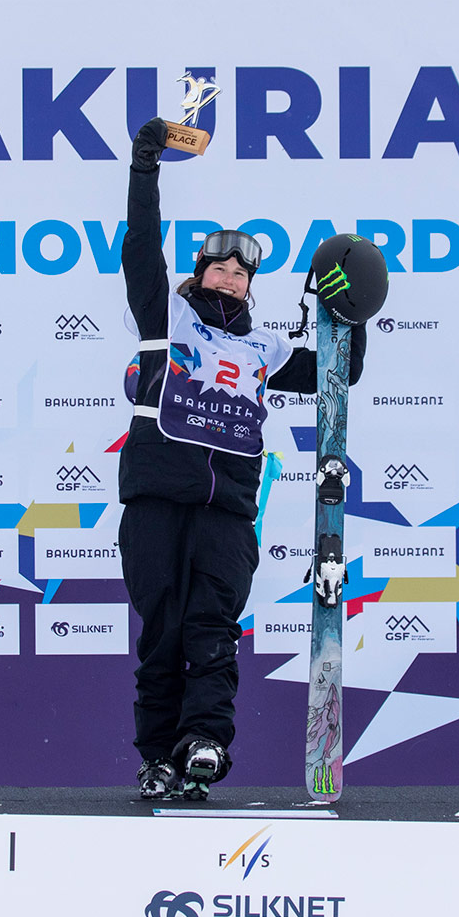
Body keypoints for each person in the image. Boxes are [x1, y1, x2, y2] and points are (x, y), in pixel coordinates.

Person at [120, 118, 370, 800]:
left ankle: (203, 739)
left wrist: (353, 305)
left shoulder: (264, 345)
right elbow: (142, 248)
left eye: (241, 273)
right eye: (219, 268)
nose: (230, 279)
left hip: (228, 510)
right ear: (199, 273)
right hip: (154, 500)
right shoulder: (163, 320)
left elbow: (338, 374)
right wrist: (146, 172)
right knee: (163, 633)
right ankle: (158, 757)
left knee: (213, 629)